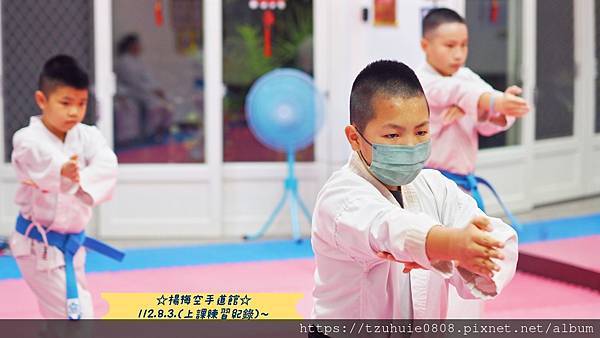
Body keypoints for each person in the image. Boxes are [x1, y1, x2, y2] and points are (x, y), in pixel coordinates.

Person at [310, 60, 517, 319]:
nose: (410, 145)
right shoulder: (340, 197)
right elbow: (387, 227)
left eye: (421, 131)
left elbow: (496, 238)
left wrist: (477, 254)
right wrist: (451, 244)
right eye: (393, 136)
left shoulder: (436, 186)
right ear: (354, 138)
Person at [8, 55, 123, 319]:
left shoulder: (88, 136)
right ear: (42, 100)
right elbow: (39, 158)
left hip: (72, 247)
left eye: (81, 103)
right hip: (38, 248)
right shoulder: (26, 139)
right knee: (76, 318)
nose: (74, 111)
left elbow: (107, 163)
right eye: (66, 103)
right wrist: (61, 170)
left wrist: (77, 180)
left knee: (69, 317)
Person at [417, 8, 529, 220]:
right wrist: (490, 102)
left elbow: (486, 123)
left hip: (465, 186)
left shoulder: (466, 77)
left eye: (464, 45)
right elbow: (457, 91)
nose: (458, 54)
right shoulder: (420, 82)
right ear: (425, 46)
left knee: (471, 249)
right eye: (449, 46)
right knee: (441, 248)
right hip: (430, 187)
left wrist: (494, 109)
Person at [114, 33, 173, 143]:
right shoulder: (124, 62)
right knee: (155, 105)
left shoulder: (137, 61)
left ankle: (161, 131)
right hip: (132, 92)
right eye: (137, 44)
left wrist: (157, 89)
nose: (140, 47)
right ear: (131, 46)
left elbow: (148, 78)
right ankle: (150, 133)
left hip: (143, 91)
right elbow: (134, 82)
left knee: (167, 101)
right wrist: (153, 91)